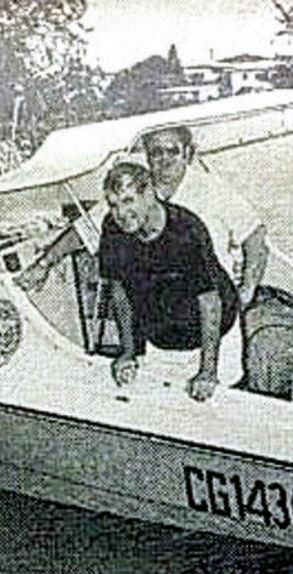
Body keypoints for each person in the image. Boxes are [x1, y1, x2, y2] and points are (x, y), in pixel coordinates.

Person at [98, 160, 237, 401]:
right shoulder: (113, 229)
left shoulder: (186, 231)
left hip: (214, 332)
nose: (121, 213)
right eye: (113, 205)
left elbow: (210, 302)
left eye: (129, 200)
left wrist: (207, 371)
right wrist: (128, 351)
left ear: (150, 193)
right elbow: (119, 291)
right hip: (163, 335)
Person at [140, 126, 269, 308]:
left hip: (215, 305)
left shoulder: (212, 190)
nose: (165, 160)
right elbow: (89, 235)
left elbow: (255, 235)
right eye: (156, 153)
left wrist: (246, 291)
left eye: (172, 151)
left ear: (188, 153)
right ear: (147, 156)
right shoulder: (136, 193)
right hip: (160, 312)